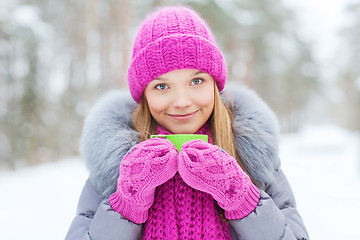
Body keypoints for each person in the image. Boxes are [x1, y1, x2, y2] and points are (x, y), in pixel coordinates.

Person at [66, 6, 309, 240]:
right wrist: (126, 205)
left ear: (214, 85)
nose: (182, 101)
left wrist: (243, 200)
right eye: (162, 86)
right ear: (144, 96)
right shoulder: (114, 164)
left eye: (196, 81)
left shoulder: (254, 155)